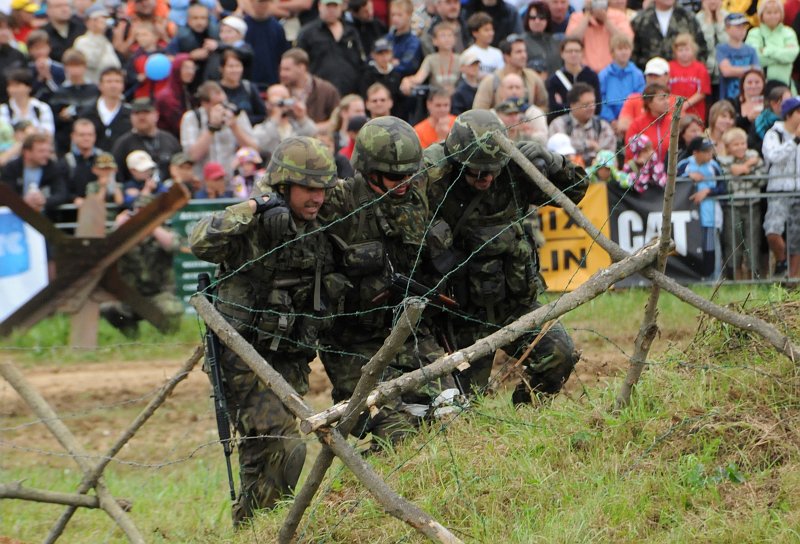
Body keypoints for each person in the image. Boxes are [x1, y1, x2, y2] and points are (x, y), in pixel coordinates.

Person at [189, 136, 342, 526]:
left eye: (321, 189)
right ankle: (268, 527)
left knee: (262, 457)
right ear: (284, 186)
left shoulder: (323, 216)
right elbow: (199, 240)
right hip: (242, 359)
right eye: (308, 188)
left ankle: (252, 529)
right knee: (286, 448)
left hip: (288, 356)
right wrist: (255, 206)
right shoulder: (255, 219)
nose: (317, 198)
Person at [423, 109, 585, 403]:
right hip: (461, 315)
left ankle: (526, 412)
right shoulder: (435, 178)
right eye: (476, 171)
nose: (485, 177)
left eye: (492, 169)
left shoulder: (514, 171)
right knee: (464, 406)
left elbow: (577, 190)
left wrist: (551, 162)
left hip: (515, 303)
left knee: (560, 357)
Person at [317, 116, 453, 444]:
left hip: (410, 332)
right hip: (354, 343)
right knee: (397, 430)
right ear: (369, 170)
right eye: (394, 176)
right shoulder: (338, 202)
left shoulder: (420, 187)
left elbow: (458, 151)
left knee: (451, 414)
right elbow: (284, 193)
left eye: (410, 173)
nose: (405, 181)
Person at [101, 194, 183, 336]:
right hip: (130, 296)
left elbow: (173, 245)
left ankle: (169, 338)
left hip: (158, 294)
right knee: (109, 308)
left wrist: (152, 225)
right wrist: (118, 226)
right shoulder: (123, 235)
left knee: (172, 310)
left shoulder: (162, 231)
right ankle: (132, 337)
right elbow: (104, 252)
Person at [180, 80, 257, 178]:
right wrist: (211, 128)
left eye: (224, 103)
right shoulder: (191, 118)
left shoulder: (236, 113)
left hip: (232, 182)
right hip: (204, 182)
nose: (222, 108)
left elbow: (254, 150)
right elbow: (191, 156)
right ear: (205, 104)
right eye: (217, 104)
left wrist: (235, 127)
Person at [718, 126, 766, 279]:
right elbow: (727, 184)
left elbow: (761, 180)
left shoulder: (755, 158)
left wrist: (744, 170)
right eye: (735, 144)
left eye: (742, 143)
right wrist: (746, 168)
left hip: (753, 205)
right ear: (727, 147)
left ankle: (753, 275)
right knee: (732, 241)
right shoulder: (723, 162)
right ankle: (734, 276)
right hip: (733, 207)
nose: (740, 147)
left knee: (753, 241)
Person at [761, 96, 800, 278]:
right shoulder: (773, 134)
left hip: (798, 190)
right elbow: (773, 156)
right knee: (772, 230)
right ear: (789, 114)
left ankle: (792, 280)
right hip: (778, 190)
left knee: (797, 238)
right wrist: (794, 141)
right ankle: (782, 261)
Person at [296, 0, 366, 96]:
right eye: (328, 6)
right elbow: (299, 65)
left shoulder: (351, 32)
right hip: (319, 95)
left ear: (341, 7)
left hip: (350, 94)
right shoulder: (307, 33)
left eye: (335, 6)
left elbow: (361, 62)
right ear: (320, 6)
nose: (331, 10)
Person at [112, 97, 181, 183]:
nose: (141, 117)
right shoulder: (123, 144)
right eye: (137, 113)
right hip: (137, 193)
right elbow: (117, 177)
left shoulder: (170, 140)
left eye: (146, 112)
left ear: (156, 115)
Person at [472, 33, 548, 112]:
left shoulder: (533, 77)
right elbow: (478, 111)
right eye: (518, 52)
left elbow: (544, 105)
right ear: (506, 57)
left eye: (524, 51)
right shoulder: (490, 81)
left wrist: (531, 115)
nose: (524, 55)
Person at [1, 132, 67, 219]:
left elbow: (62, 193)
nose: (46, 155)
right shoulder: (11, 168)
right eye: (41, 151)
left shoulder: (53, 167)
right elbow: (5, 193)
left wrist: (44, 201)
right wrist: (23, 201)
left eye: (48, 151)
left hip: (45, 218)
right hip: (15, 217)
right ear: (27, 153)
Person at [684, 136, 723, 279]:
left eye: (710, 150)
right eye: (705, 151)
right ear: (695, 153)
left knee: (709, 246)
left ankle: (711, 277)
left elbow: (723, 186)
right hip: (688, 214)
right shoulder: (684, 165)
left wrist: (707, 191)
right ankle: (692, 277)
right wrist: (688, 176)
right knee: (691, 245)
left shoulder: (714, 166)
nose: (710, 154)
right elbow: (670, 180)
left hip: (709, 215)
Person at [548, 82, 616, 165]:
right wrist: (587, 145)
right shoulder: (558, 124)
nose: (592, 107)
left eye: (593, 103)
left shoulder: (602, 126)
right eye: (586, 104)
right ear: (573, 105)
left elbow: (608, 155)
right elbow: (557, 151)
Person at [631, 0, 708, 69]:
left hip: (684, 79)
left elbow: (701, 49)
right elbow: (633, 55)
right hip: (651, 78)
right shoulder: (640, 20)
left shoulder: (688, 18)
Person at [564, 0, 634, 74]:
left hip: (613, 72)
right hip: (585, 71)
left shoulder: (618, 16)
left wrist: (606, 20)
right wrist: (587, 16)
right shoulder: (577, 17)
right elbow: (570, 41)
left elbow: (627, 40)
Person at [278, 48, 340, 130]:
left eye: (287, 69)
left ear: (302, 67)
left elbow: (337, 120)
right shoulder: (279, 91)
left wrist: (310, 130)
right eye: (281, 69)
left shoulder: (326, 90)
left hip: (319, 140)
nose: (282, 74)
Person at [745, 0, 799, 92]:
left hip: (787, 87)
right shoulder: (754, 33)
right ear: (761, 15)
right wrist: (782, 56)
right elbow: (755, 58)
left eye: (776, 12)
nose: (772, 16)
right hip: (761, 89)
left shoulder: (788, 32)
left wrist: (766, 50)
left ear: (781, 14)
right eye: (769, 13)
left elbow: (791, 56)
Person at [253, 83, 317, 156]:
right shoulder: (262, 128)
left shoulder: (297, 126)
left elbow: (312, 134)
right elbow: (259, 143)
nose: (282, 104)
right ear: (268, 103)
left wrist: (302, 117)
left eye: (285, 99)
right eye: (278, 101)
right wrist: (275, 118)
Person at [79, 67, 132, 151]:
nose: (113, 85)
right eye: (109, 81)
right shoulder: (87, 113)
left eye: (117, 81)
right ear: (100, 85)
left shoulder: (130, 115)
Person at [599, 33, 645, 126]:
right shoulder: (604, 75)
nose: (624, 52)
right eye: (620, 49)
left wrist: (629, 120)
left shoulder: (637, 74)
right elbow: (600, 99)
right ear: (612, 52)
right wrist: (611, 120)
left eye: (626, 49)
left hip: (632, 121)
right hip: (609, 121)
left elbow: (640, 99)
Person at [242, 0, 289, 88]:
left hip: (272, 81)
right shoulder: (243, 26)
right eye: (260, 2)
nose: (263, 5)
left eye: (266, 2)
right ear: (252, 2)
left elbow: (283, 56)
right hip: (248, 82)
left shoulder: (277, 28)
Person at [72, 4, 120, 84]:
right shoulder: (82, 41)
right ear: (88, 22)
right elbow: (91, 63)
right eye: (96, 19)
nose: (102, 21)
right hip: (93, 87)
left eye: (104, 18)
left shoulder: (106, 41)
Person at [668, 33, 711, 122]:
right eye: (680, 50)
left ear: (693, 50)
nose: (684, 53)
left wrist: (685, 105)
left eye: (687, 49)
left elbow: (702, 92)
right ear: (675, 52)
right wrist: (675, 105)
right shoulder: (669, 67)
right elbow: (666, 89)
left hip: (695, 111)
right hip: (673, 109)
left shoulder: (700, 68)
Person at [625, 82, 673, 162]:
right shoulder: (637, 125)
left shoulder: (673, 123)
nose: (666, 102)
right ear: (649, 103)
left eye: (667, 98)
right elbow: (630, 153)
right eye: (661, 99)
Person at [716, 12, 758, 101]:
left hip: (749, 99)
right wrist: (750, 68)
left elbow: (757, 72)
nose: (742, 30)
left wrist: (734, 70)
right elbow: (726, 71)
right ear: (727, 29)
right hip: (728, 98)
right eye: (738, 27)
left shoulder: (751, 50)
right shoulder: (721, 49)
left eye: (744, 26)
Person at [218, 50, 266, 126]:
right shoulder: (216, 89)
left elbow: (262, 114)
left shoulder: (249, 87)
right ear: (222, 68)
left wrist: (242, 120)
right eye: (231, 66)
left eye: (238, 66)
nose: (235, 70)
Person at [155, 54, 196, 138]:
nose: (190, 72)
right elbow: (179, 124)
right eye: (186, 68)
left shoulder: (185, 92)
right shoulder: (167, 97)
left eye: (192, 68)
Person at [62, 118, 101, 202]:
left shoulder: (103, 159)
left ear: (95, 136)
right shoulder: (66, 161)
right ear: (73, 136)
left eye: (90, 135)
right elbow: (62, 188)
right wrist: (74, 198)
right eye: (82, 135)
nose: (86, 138)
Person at [522, 1, 562, 75]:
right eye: (533, 18)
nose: (537, 21)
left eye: (541, 17)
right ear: (527, 19)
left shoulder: (557, 42)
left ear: (548, 20)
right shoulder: (520, 42)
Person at [385, 0, 422, 77]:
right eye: (393, 15)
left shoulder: (414, 42)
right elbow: (373, 58)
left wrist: (386, 64)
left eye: (399, 15)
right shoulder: (387, 38)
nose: (395, 18)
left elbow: (407, 66)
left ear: (409, 15)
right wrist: (391, 62)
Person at [462, 12, 503, 78]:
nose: (491, 33)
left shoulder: (498, 53)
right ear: (475, 33)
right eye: (486, 30)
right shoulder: (468, 54)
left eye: (491, 30)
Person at [450, 50, 482, 115]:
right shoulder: (459, 90)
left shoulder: (484, 85)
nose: (475, 68)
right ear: (462, 68)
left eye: (476, 64)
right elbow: (456, 113)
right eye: (471, 65)